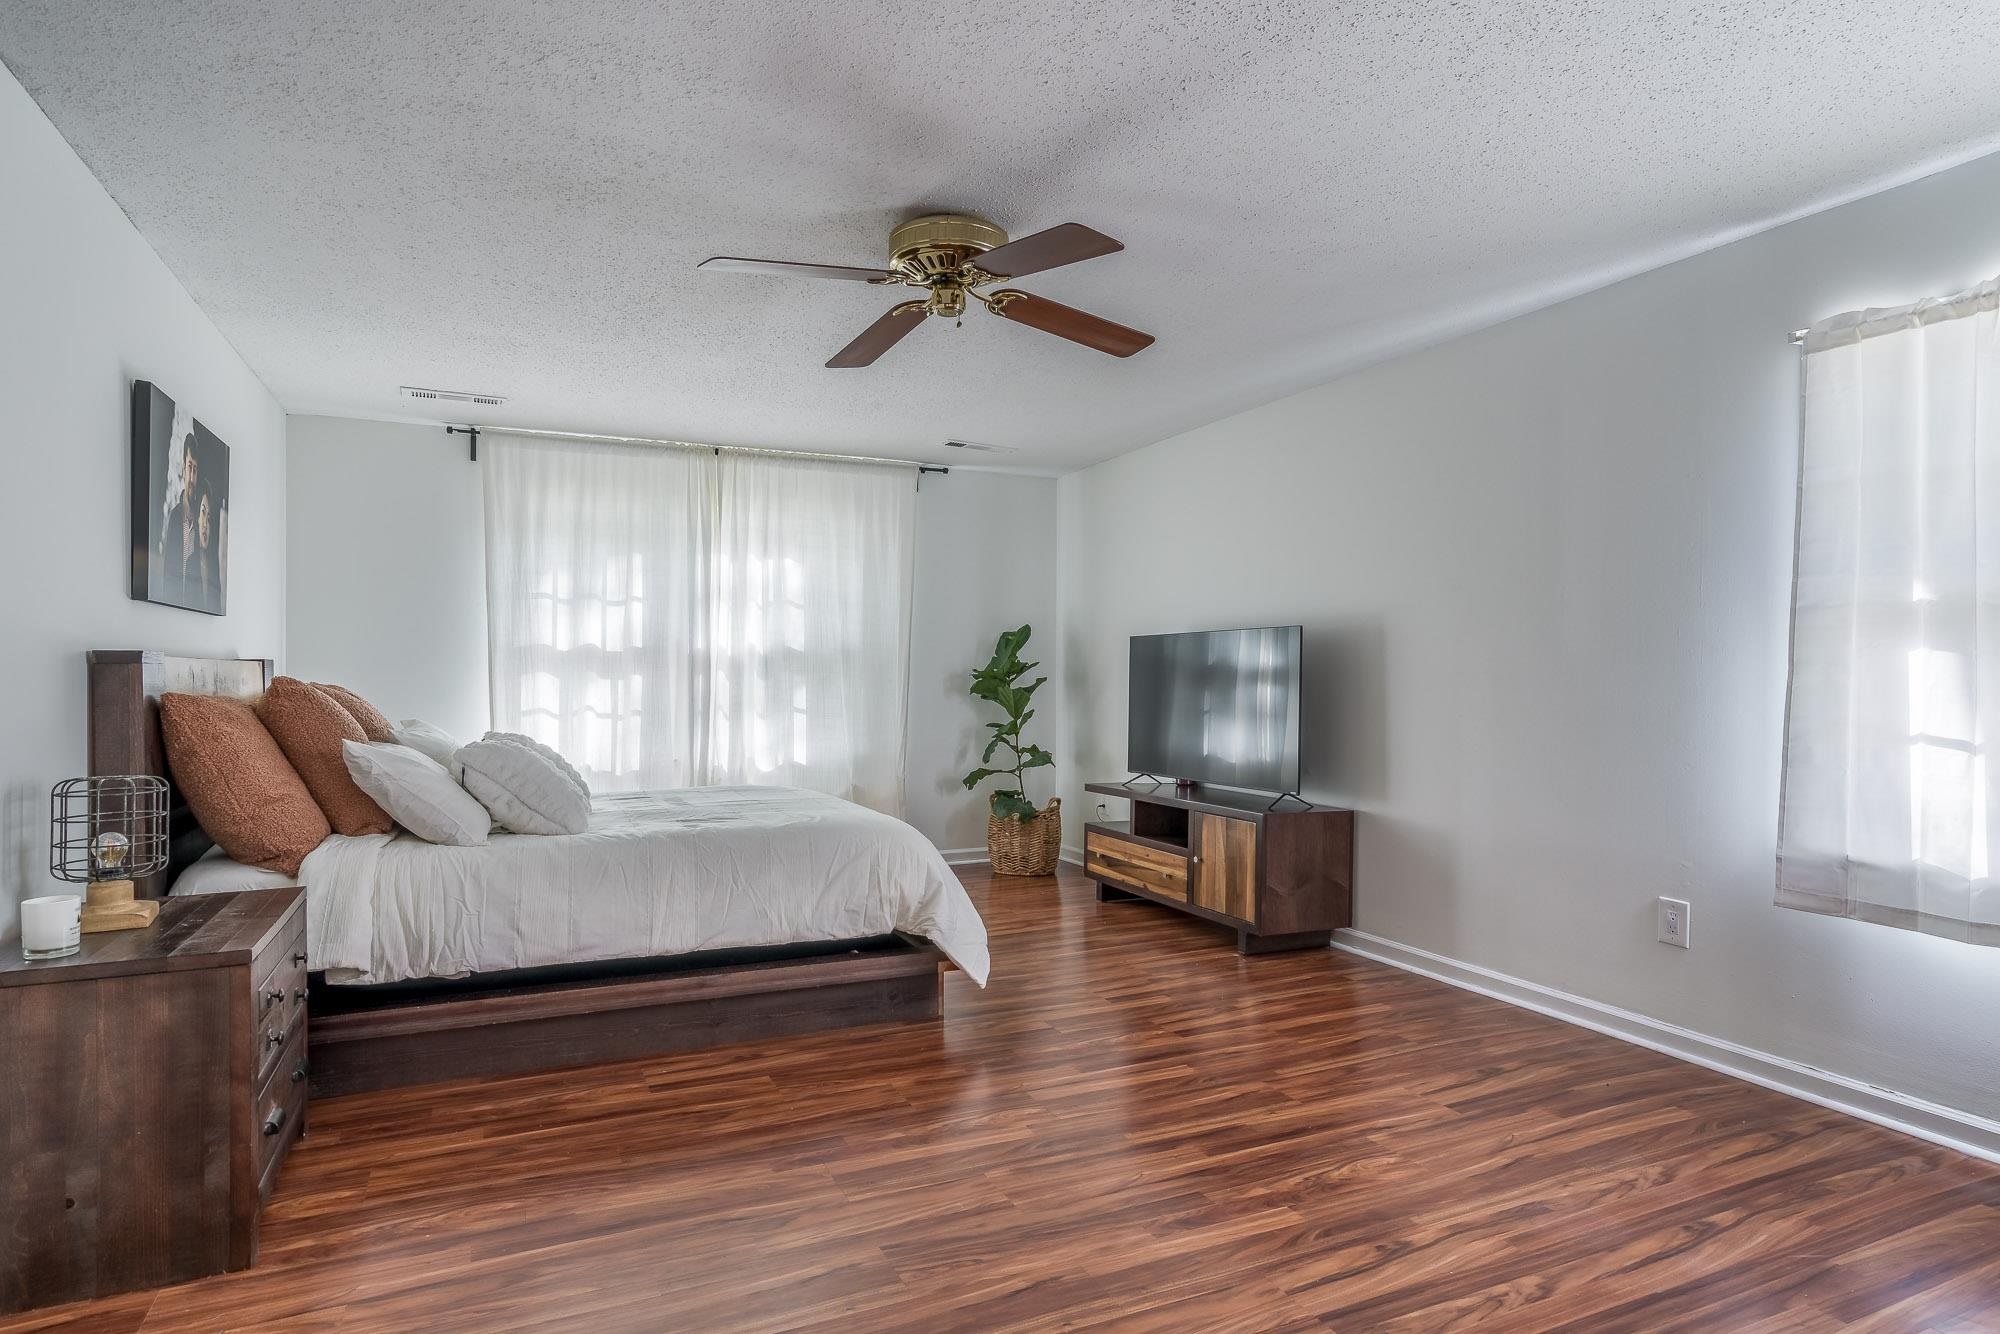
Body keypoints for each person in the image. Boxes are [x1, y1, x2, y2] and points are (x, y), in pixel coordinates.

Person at [160, 434, 200, 605]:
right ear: (183, 469)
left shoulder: (201, 521)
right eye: (189, 467)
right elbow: (167, 576)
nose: (191, 477)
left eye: (196, 470)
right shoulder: (174, 518)